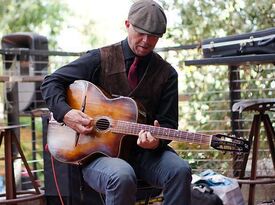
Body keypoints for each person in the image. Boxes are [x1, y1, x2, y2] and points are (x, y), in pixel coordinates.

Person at [41, 0, 192, 204]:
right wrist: (66, 113)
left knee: (180, 171)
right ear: (127, 24)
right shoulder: (99, 58)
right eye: (141, 32)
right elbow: (52, 81)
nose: (146, 41)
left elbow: (168, 124)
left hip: (145, 154)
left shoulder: (167, 74)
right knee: (121, 175)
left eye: (154, 36)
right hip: (98, 156)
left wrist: (157, 141)